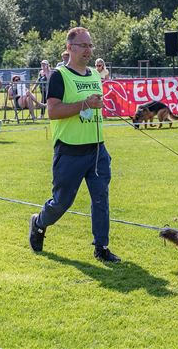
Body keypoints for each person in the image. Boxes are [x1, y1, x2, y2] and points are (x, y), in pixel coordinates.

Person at [28, 27, 121, 263]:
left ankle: (101, 247)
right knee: (61, 202)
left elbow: (92, 106)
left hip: (97, 149)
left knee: (101, 199)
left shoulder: (95, 75)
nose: (88, 50)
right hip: (70, 151)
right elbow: (53, 111)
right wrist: (85, 104)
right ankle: (39, 222)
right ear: (69, 48)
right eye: (83, 45)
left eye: (90, 45)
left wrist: (96, 104)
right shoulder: (59, 76)